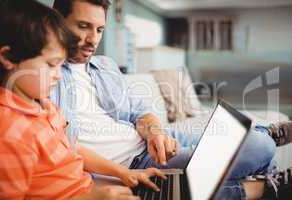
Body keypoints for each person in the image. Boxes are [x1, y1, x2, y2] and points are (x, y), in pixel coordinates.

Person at [49, 0, 292, 199]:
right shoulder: (45, 77)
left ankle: (265, 143)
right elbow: (62, 147)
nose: (93, 39)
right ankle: (267, 176)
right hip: (137, 165)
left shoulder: (104, 66)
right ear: (57, 20)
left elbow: (138, 112)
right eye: (83, 26)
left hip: (156, 143)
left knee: (249, 140)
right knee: (261, 148)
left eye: (100, 29)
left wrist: (155, 132)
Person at [0, 0, 166, 199]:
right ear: (8, 58)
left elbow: (73, 148)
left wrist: (123, 173)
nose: (58, 75)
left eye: (60, 65)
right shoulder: (7, 132)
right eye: (51, 65)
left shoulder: (46, 107)